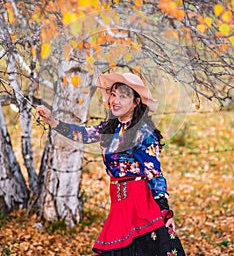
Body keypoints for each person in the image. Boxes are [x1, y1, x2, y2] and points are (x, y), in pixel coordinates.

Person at [36, 72, 186, 256]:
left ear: (136, 102)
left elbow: (154, 173)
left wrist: (164, 210)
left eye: (123, 96)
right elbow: (82, 134)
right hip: (118, 203)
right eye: (113, 95)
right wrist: (51, 120)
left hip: (140, 203)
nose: (115, 100)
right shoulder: (111, 128)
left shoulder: (143, 132)